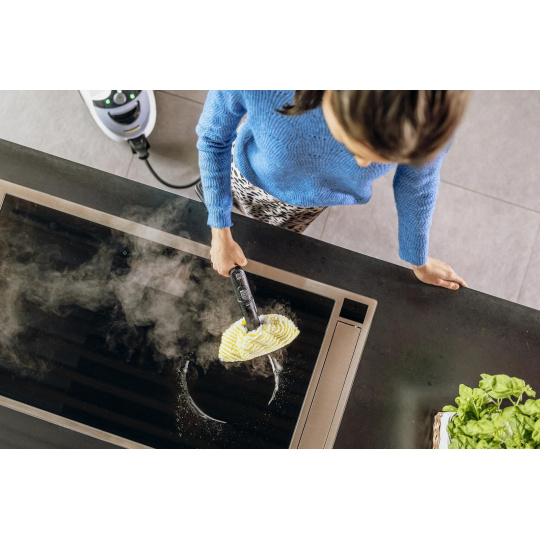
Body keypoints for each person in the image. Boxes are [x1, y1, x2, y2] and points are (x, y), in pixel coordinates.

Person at [195, 90, 470, 290]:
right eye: (354, 148)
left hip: (306, 203)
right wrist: (219, 230)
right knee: (219, 196)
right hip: (246, 172)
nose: (362, 165)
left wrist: (418, 260)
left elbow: (417, 185)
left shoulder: (428, 115)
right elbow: (213, 140)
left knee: (274, 235)